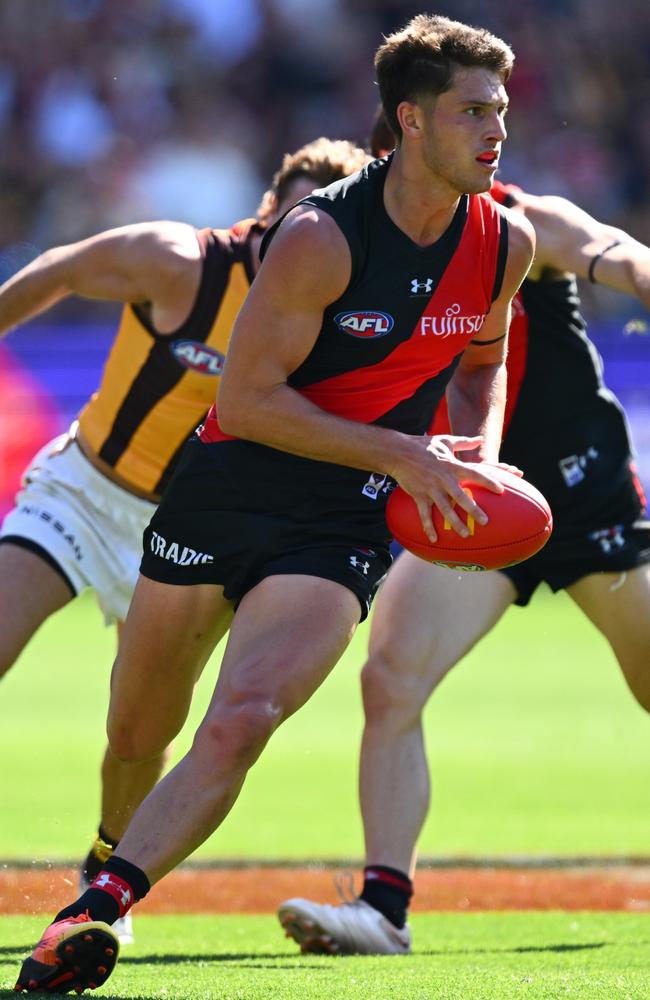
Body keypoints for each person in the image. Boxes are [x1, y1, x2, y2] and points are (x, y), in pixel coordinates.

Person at [14, 13, 534, 993]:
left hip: (341, 520)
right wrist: (404, 450)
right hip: (228, 491)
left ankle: (96, 905)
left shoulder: (503, 239)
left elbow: (484, 363)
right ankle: (104, 846)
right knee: (137, 732)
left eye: (500, 111)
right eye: (472, 111)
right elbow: (247, 404)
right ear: (410, 122)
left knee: (244, 713)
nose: (495, 129)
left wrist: (477, 455)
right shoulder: (318, 236)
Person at [276, 122, 650, 956]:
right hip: (470, 505)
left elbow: (615, 252)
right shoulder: (356, 247)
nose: (488, 145)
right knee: (391, 679)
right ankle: (384, 911)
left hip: (583, 491)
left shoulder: (521, 221)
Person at [0, 136, 368, 947]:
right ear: (265, 209)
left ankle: (104, 878)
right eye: (290, 216)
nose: (299, 238)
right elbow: (63, 266)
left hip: (194, 537)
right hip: (87, 494)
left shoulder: (336, 319)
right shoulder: (180, 263)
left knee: (140, 735)